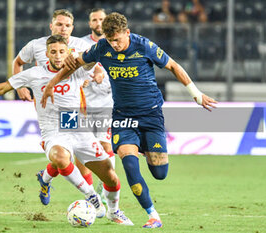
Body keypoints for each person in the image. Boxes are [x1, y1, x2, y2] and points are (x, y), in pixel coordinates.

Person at [40, 12, 217, 228]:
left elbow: (173, 66)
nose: (113, 44)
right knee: (129, 165)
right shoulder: (101, 47)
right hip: (123, 116)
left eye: (117, 39)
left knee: (159, 173)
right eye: (110, 40)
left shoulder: (144, 46)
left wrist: (196, 94)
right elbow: (74, 64)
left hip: (151, 115)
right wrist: (51, 84)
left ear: (128, 33)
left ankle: (143, 147)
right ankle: (153, 215)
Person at [0, 35, 133, 225]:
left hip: (77, 126)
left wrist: (98, 65)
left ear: (69, 52)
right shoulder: (34, 74)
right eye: (53, 52)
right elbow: (3, 88)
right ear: (46, 53)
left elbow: (93, 59)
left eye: (61, 51)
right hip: (53, 131)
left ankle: (113, 212)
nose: (58, 56)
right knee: (60, 157)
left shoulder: (77, 69)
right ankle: (91, 196)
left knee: (112, 179)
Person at [12, 9, 99, 205]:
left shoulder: (81, 45)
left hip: (73, 106)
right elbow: (18, 62)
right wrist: (20, 88)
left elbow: (94, 67)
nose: (63, 28)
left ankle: (47, 178)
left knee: (71, 155)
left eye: (67, 25)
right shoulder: (36, 45)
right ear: (51, 26)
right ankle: (93, 200)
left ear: (73, 28)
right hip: (48, 109)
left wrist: (94, 76)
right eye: (59, 24)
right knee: (67, 154)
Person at [81, 8, 114, 205]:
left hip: (106, 104)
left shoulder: (115, 42)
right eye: (94, 20)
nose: (98, 23)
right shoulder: (81, 44)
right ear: (90, 23)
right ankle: (90, 194)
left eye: (102, 19)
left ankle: (106, 184)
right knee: (79, 151)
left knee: (105, 145)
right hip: (82, 105)